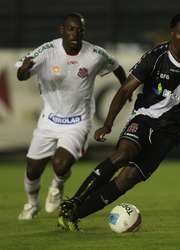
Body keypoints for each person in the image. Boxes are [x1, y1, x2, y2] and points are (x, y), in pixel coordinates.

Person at [57, 12, 180, 231]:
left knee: (128, 179)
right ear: (172, 34)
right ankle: (75, 200)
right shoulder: (155, 57)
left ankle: (74, 216)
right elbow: (124, 91)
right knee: (123, 154)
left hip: (170, 133)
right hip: (144, 117)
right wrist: (108, 124)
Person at [15, 13, 127, 220]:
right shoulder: (47, 51)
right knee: (33, 169)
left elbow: (117, 66)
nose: (75, 33)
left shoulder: (94, 54)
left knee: (60, 164)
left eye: (79, 30)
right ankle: (31, 205)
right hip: (49, 118)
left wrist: (125, 88)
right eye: (71, 29)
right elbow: (21, 74)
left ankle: (57, 186)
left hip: (78, 120)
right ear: (62, 30)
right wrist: (23, 71)